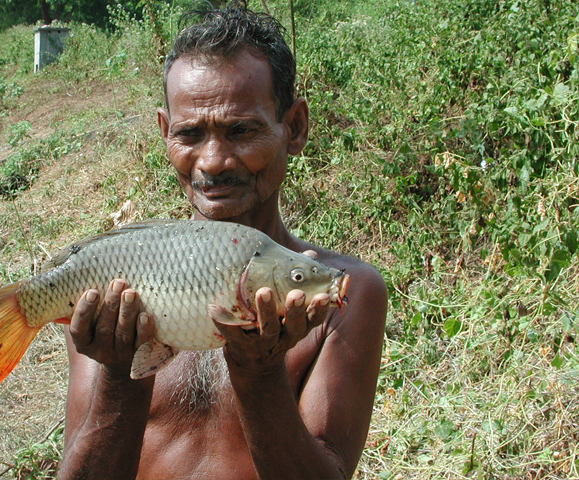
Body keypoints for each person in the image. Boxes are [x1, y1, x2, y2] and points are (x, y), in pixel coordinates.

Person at [58, 3, 387, 479]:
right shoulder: (112, 279)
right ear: (164, 133)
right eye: (189, 134)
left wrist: (260, 375)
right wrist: (120, 371)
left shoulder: (343, 295)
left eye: (241, 130)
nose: (212, 162)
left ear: (293, 127)